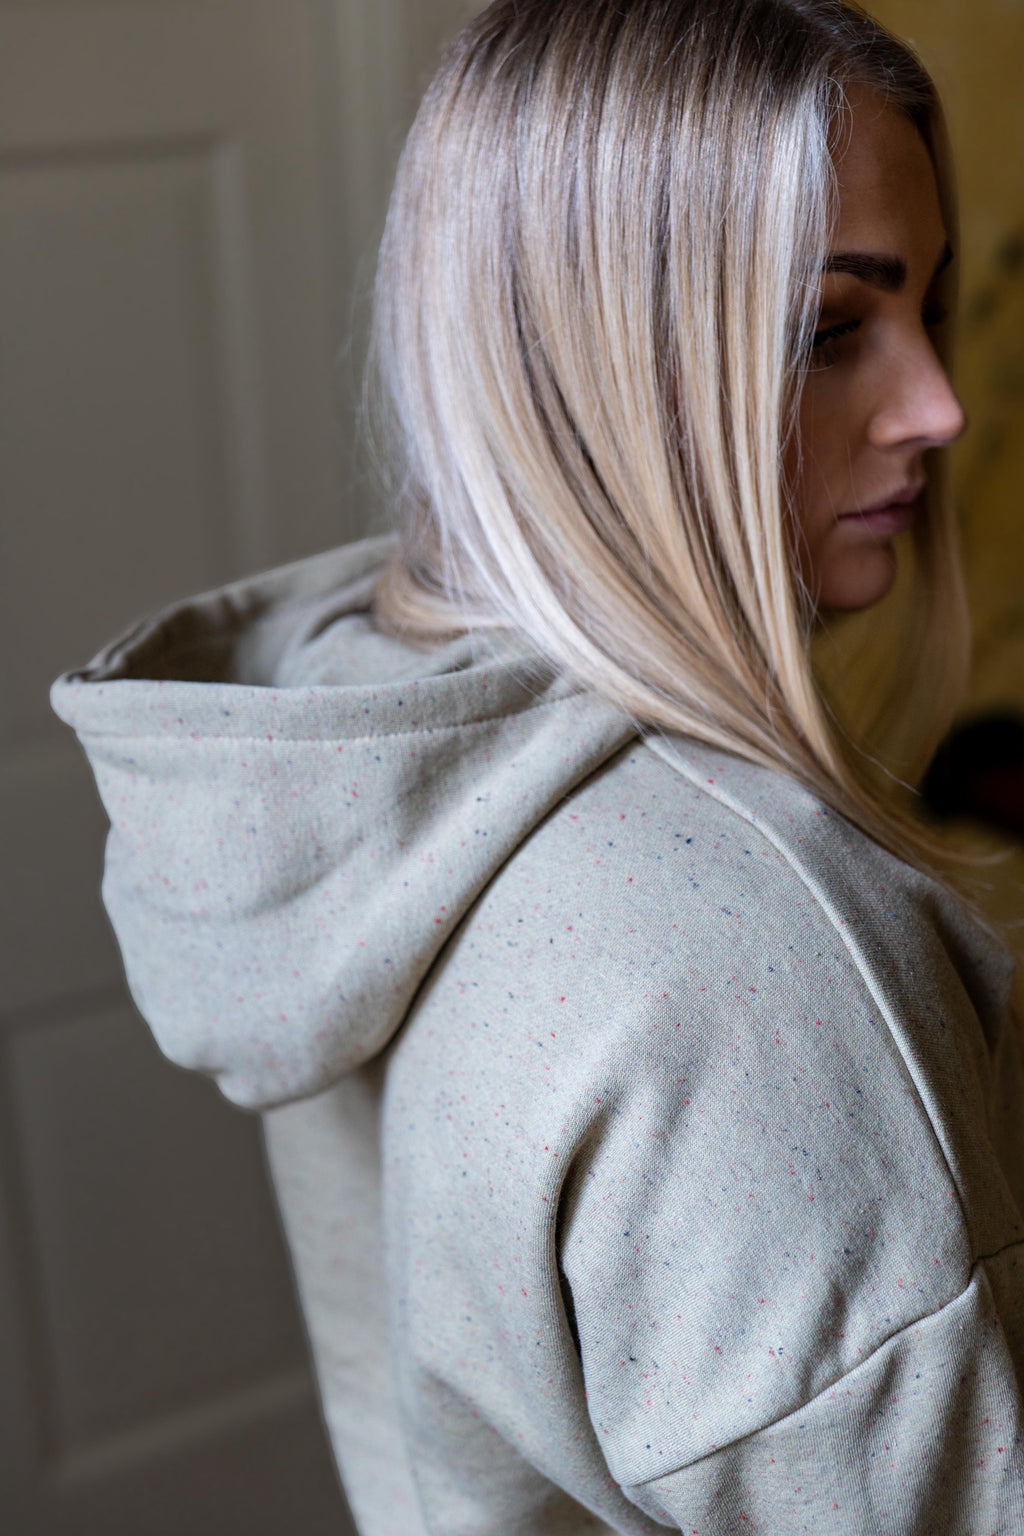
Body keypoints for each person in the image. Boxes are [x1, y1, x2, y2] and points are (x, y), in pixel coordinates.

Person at [52, 1, 1024, 1531]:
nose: (937, 408)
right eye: (834, 329)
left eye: (934, 310)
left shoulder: (366, 747)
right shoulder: (759, 961)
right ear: (601, 359)